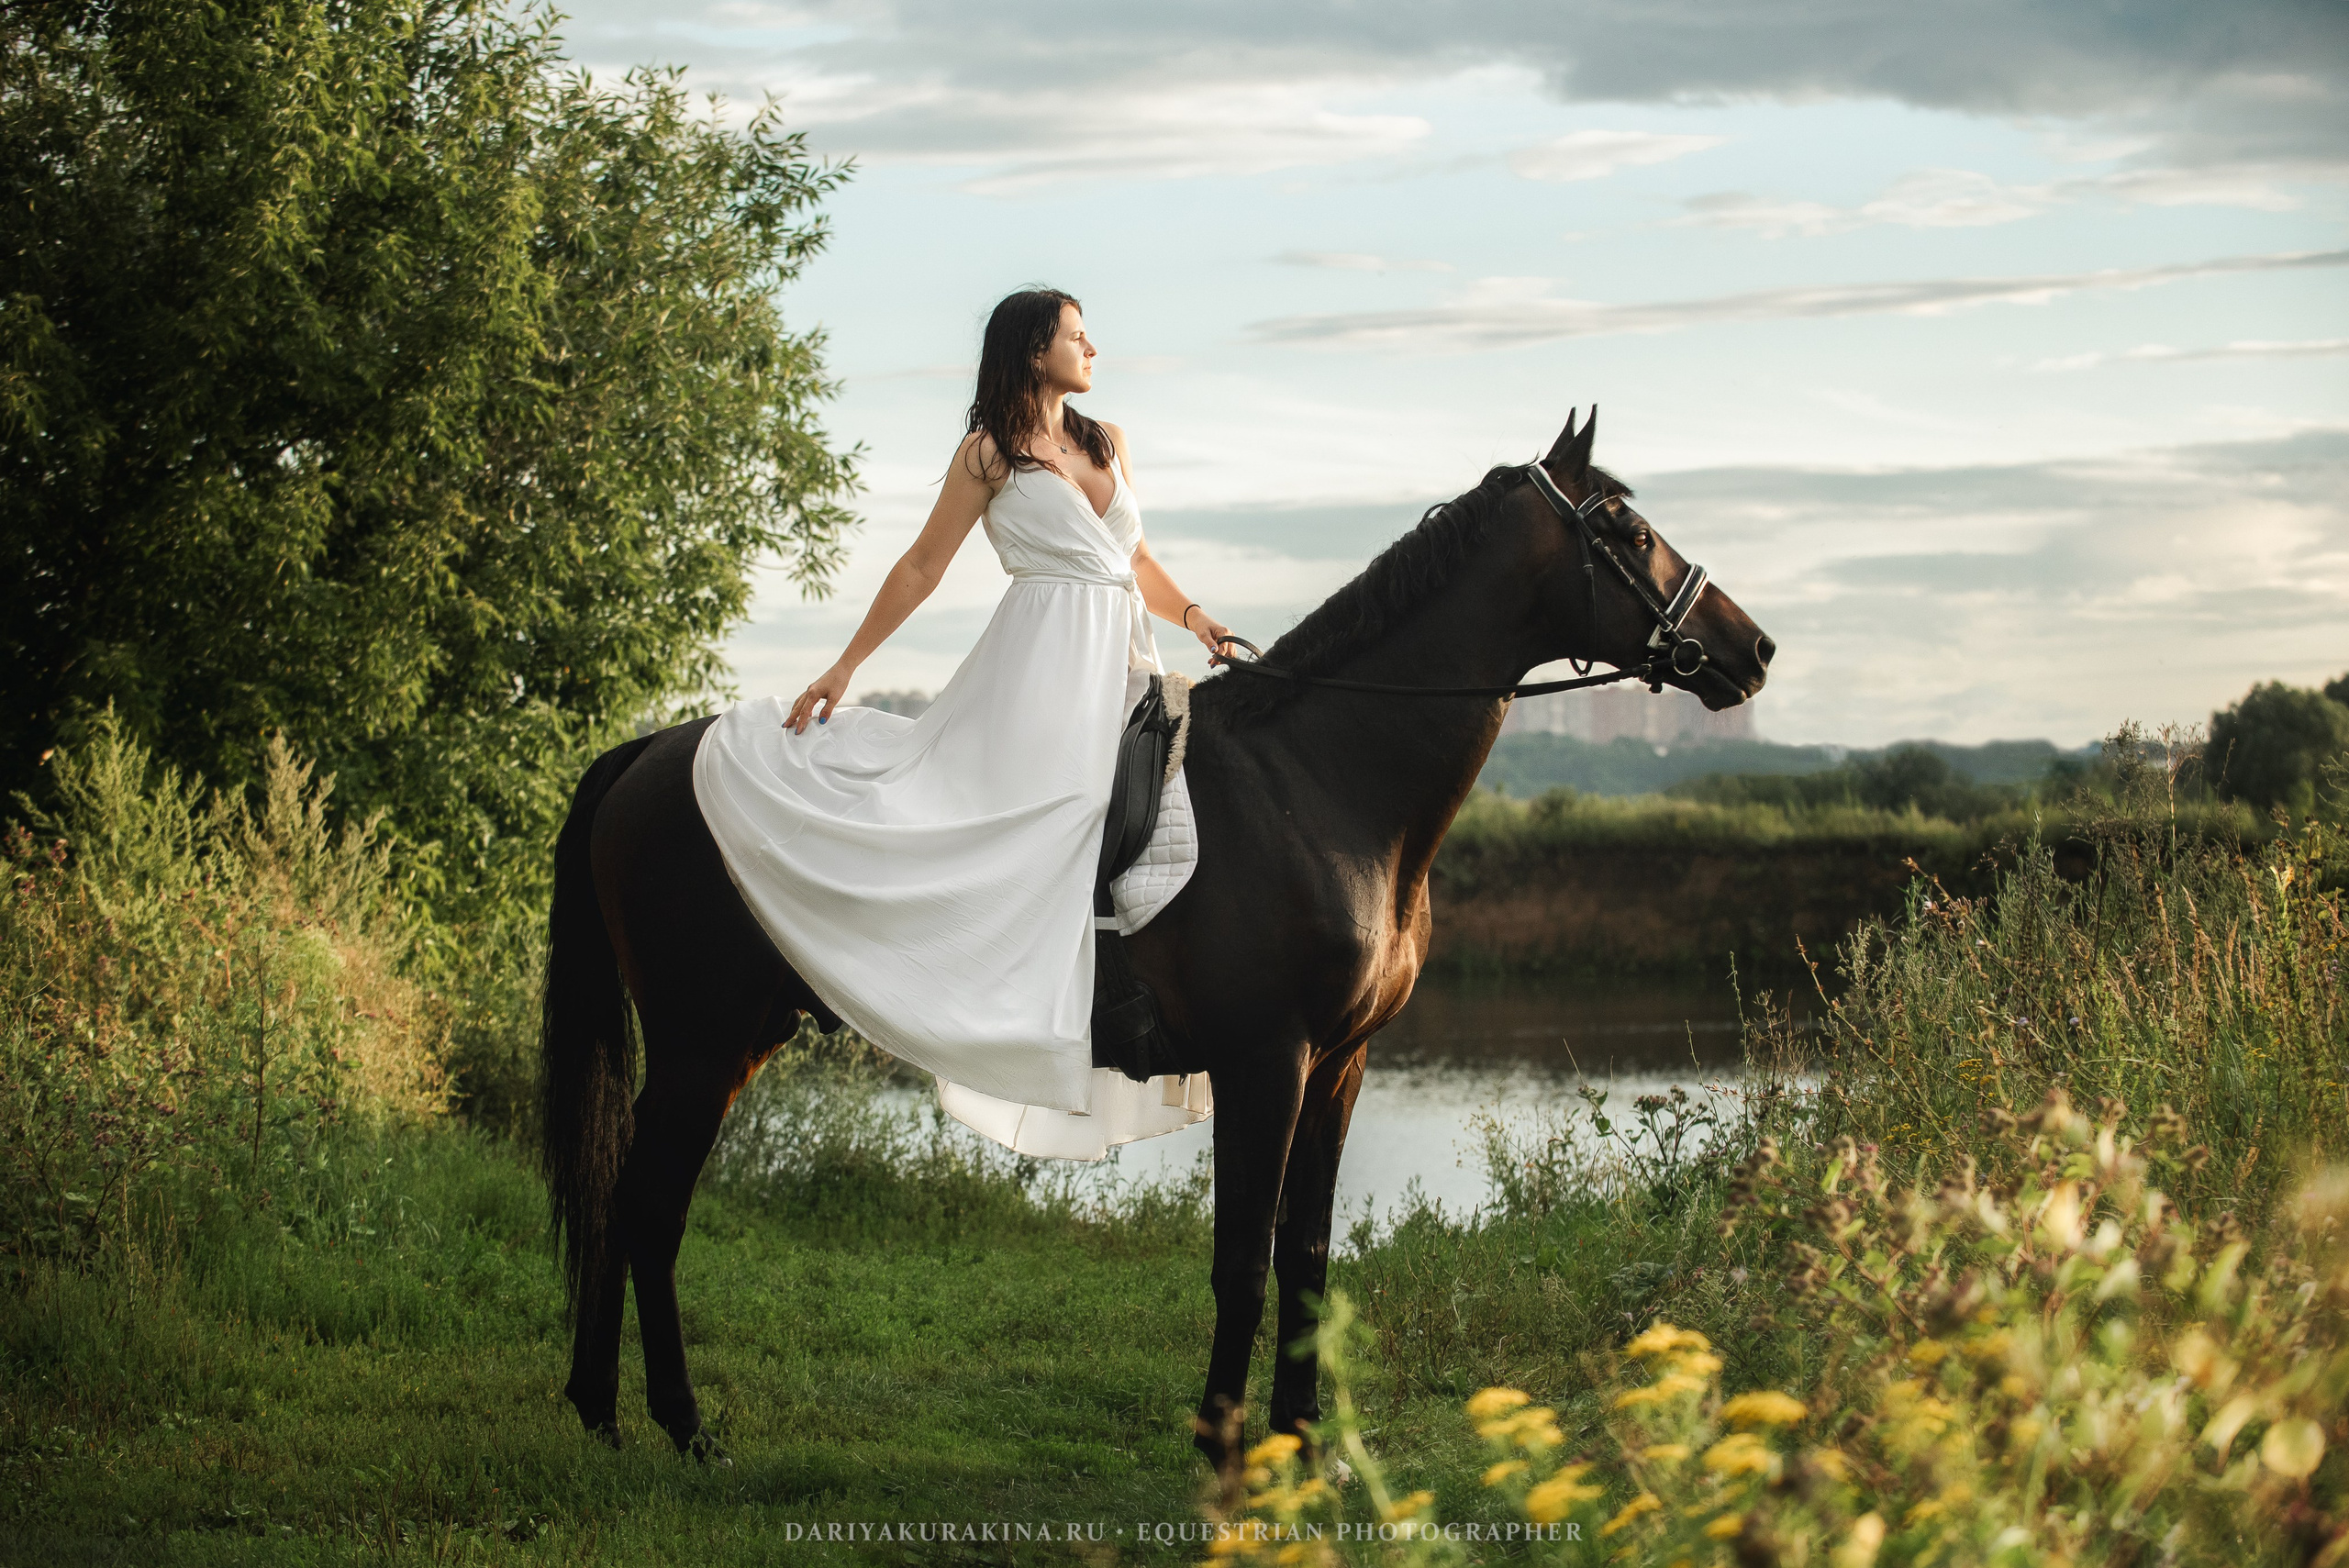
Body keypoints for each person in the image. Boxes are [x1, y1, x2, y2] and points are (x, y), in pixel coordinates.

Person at [692, 288, 1230, 1159]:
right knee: (1034, 822)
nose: (1091, 347)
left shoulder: (1107, 442)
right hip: (1040, 667)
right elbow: (920, 564)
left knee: (1154, 805)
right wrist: (845, 664)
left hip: (1119, 657)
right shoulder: (988, 457)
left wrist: (1198, 616)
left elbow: (1133, 559)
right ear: (1031, 351)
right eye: (1074, 335)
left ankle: (1136, 997)